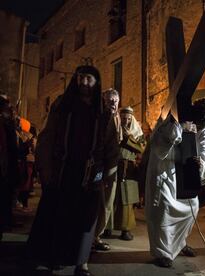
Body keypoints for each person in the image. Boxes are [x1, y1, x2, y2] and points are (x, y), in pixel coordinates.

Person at [26, 65, 119, 276]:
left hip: (91, 172)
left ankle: (81, 263)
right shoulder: (62, 105)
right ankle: (54, 258)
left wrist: (105, 174)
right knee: (59, 216)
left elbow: (111, 146)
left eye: (88, 79)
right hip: (64, 170)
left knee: (86, 219)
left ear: (96, 82)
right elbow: (48, 137)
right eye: (80, 78)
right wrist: (46, 168)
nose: (83, 83)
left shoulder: (103, 113)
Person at [145, 98, 205, 268]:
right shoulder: (172, 121)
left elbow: (204, 151)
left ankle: (179, 244)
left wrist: (201, 164)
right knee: (163, 209)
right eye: (198, 124)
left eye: (203, 126)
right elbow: (158, 144)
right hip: (165, 170)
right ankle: (163, 252)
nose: (199, 128)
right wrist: (174, 136)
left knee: (191, 206)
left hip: (186, 172)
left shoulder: (204, 129)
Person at [93, 88, 122, 250]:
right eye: (110, 100)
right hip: (101, 167)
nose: (113, 103)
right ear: (104, 101)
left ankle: (96, 236)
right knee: (99, 202)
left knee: (107, 202)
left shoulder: (116, 117)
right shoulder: (102, 117)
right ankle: (91, 237)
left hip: (112, 166)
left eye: (115, 101)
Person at [113, 106, 144, 241]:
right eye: (123, 118)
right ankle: (107, 228)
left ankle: (125, 229)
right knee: (112, 199)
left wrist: (127, 138)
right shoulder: (114, 130)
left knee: (127, 200)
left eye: (128, 119)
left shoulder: (137, 134)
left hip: (129, 168)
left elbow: (141, 148)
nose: (125, 121)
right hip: (114, 167)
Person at [0, 95, 19, 241]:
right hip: (4, 167)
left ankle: (5, 221)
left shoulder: (8, 123)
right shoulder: (4, 123)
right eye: (7, 104)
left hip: (8, 167)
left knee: (6, 197)